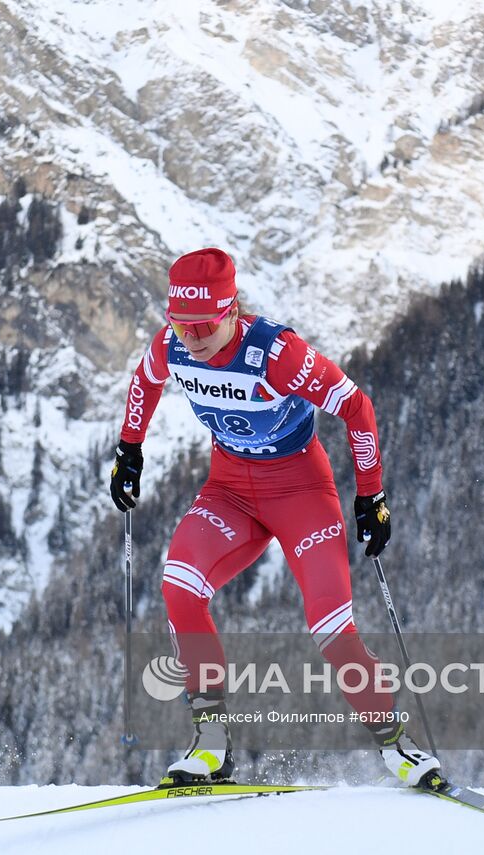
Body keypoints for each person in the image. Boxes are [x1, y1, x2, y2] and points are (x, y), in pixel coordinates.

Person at [110, 247, 440, 787]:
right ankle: (212, 743)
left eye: (205, 324)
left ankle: (396, 743)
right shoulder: (173, 345)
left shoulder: (276, 353)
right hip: (229, 489)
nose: (191, 336)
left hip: (301, 491)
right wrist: (130, 450)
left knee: (330, 626)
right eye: (181, 323)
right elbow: (144, 383)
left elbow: (356, 407)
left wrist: (371, 496)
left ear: (232, 309)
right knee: (178, 587)